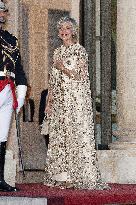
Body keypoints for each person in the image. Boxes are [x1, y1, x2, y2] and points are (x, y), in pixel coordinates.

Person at [43, 16, 108, 189]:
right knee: (61, 136)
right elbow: (53, 81)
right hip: (60, 102)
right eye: (61, 29)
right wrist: (49, 102)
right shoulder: (57, 52)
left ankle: (78, 175)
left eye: (67, 28)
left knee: (75, 135)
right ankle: (63, 176)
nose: (64, 31)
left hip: (76, 101)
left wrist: (62, 67)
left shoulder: (79, 51)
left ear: (73, 31)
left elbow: (80, 76)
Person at [0, 1, 27, 191]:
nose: (2, 14)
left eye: (4, 11)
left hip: (9, 89)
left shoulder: (11, 39)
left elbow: (19, 68)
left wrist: (22, 90)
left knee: (2, 136)